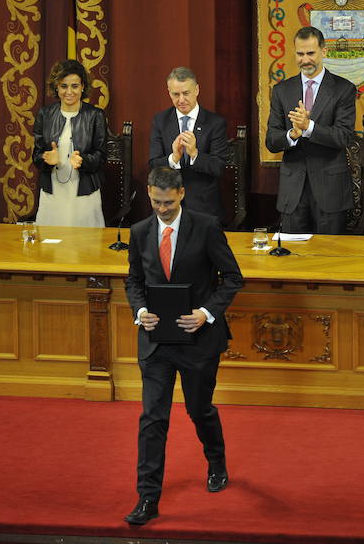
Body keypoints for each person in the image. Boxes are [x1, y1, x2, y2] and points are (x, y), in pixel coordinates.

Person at [123, 167, 243, 526]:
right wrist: (140, 311)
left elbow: (233, 278)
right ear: (148, 193)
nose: (162, 208)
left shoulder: (206, 227)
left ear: (181, 194)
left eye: (168, 202)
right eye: (156, 201)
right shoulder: (140, 232)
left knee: (198, 409)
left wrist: (206, 313)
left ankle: (216, 461)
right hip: (157, 342)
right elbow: (134, 280)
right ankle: (147, 498)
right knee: (153, 419)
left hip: (198, 341)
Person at [266, 26, 356, 234]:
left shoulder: (343, 89)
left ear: (323, 52)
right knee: (292, 260)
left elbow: (343, 136)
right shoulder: (282, 90)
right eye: (300, 54)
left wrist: (309, 128)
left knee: (330, 256)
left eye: (310, 53)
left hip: (330, 192)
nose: (305, 59)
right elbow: (271, 139)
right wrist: (291, 135)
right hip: (293, 192)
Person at [32, 59, 107, 227]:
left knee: (85, 249)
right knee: (50, 248)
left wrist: (84, 161)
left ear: (82, 87)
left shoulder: (95, 115)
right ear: (56, 87)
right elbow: (35, 156)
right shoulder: (45, 114)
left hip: (84, 194)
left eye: (74, 86)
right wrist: (46, 158)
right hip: (53, 193)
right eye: (64, 86)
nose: (69, 92)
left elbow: (101, 156)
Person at [149, 67, 228, 222]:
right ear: (168, 92)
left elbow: (219, 167)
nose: (181, 100)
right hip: (167, 205)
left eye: (186, 93)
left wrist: (195, 154)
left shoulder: (215, 123)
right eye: (175, 94)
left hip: (204, 207)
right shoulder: (160, 121)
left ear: (197, 90)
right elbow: (153, 165)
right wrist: (174, 158)